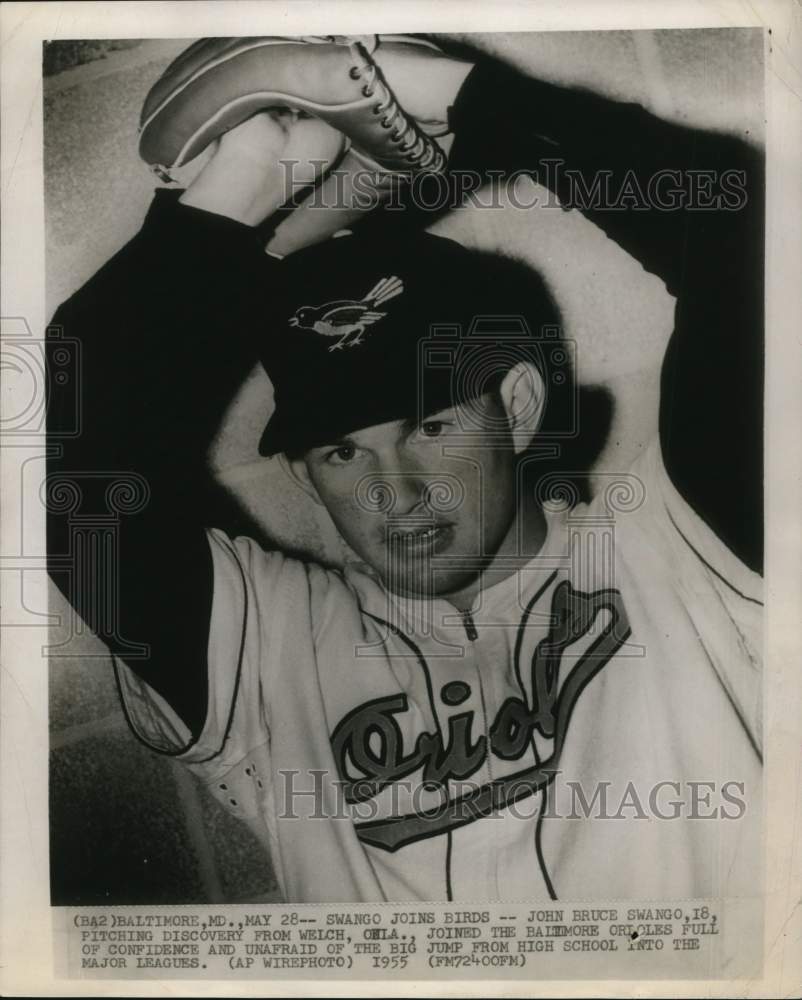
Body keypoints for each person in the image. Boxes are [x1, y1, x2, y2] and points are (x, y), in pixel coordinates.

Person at [47, 35, 763, 903]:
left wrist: (474, 103)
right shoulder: (276, 656)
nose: (396, 492)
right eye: (343, 450)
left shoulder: (683, 549)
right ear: (306, 473)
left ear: (521, 408)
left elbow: (756, 244)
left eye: (428, 424)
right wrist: (227, 203)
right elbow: (71, 464)